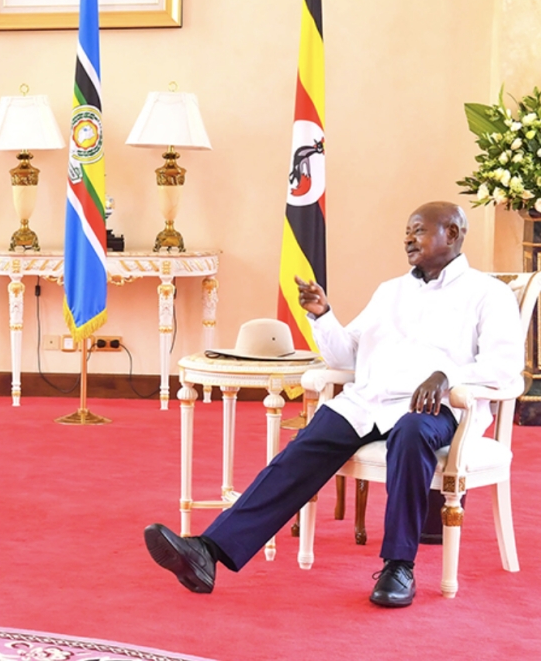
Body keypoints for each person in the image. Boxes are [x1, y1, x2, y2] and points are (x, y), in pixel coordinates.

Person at [144, 201, 523, 607]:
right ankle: (208, 551)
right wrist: (323, 315)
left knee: (411, 434)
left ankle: (399, 567)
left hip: (436, 408)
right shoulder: (389, 291)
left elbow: (506, 368)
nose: (407, 238)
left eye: (418, 230)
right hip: (372, 401)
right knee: (304, 448)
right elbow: (346, 358)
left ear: (452, 233)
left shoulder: (488, 294)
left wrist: (447, 377)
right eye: (406, 231)